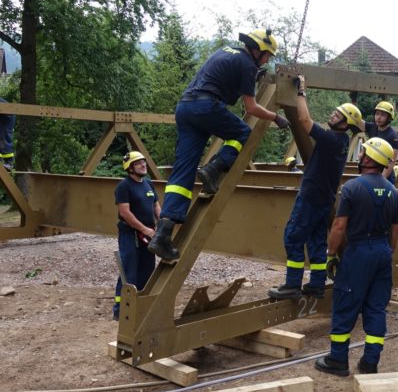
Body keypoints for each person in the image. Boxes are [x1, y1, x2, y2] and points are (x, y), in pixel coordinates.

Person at [148, 29, 290, 262]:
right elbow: (251, 108)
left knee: (182, 173)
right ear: (257, 50)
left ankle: (163, 233)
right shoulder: (247, 64)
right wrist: (276, 117)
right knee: (242, 133)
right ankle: (214, 168)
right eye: (267, 55)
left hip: (185, 108)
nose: (267, 60)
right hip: (205, 107)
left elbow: (222, 82)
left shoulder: (225, 51)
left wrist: (250, 80)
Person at [268, 76, 364, 300]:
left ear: (345, 124)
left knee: (293, 237)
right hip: (323, 199)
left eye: (337, 115)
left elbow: (303, 120)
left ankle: (292, 285)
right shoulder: (341, 142)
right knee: (316, 241)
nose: (333, 115)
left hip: (311, 197)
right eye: (335, 112)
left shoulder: (332, 139)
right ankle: (317, 284)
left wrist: (301, 91)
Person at [314, 137, 398, 376]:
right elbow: (396, 230)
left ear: (370, 158)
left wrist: (331, 254)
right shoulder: (393, 191)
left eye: (363, 152)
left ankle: (338, 359)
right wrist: (387, 252)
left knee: (346, 303)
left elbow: (339, 226)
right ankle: (370, 361)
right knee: (376, 307)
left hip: (359, 252)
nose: (360, 155)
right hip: (382, 251)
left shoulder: (352, 188)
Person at [112, 151, 160, 320]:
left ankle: (140, 306)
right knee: (129, 272)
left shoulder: (148, 184)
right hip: (130, 235)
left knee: (147, 271)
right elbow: (125, 213)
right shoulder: (124, 187)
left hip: (148, 236)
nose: (143, 165)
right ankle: (120, 310)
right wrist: (144, 229)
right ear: (130, 168)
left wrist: (162, 225)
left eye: (143, 162)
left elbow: (156, 206)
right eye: (138, 163)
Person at [364, 101, 398, 183]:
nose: (378, 117)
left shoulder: (393, 136)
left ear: (389, 118)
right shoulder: (372, 127)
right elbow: (356, 121)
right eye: (377, 114)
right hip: (371, 173)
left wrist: (381, 180)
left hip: (385, 178)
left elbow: (391, 162)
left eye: (383, 115)